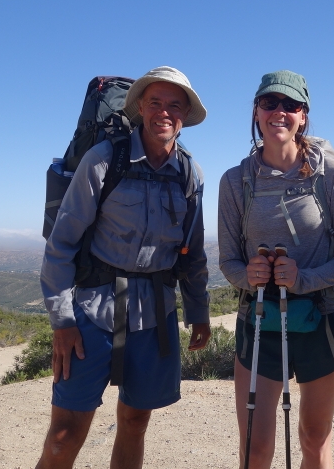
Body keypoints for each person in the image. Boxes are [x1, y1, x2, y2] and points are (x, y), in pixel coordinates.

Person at [37, 66, 211, 469]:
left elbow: (194, 253)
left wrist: (198, 312)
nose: (164, 112)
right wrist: (62, 321)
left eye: (174, 105)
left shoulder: (189, 174)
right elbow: (61, 242)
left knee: (134, 422)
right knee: (64, 437)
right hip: (91, 315)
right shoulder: (103, 160)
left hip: (155, 314)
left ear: (184, 115)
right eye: (155, 103)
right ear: (141, 108)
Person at [218, 70, 334, 469]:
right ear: (256, 111)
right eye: (270, 103)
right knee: (256, 447)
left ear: (303, 116)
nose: (279, 112)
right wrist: (248, 275)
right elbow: (228, 261)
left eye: (291, 105)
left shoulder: (332, 175)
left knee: (315, 437)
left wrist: (303, 279)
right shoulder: (234, 182)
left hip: (324, 316)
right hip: (259, 317)